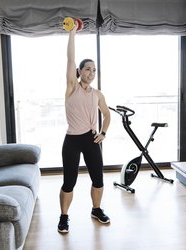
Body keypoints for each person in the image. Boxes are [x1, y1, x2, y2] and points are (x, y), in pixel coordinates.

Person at [57, 20, 111, 234]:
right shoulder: (72, 88)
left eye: (94, 70)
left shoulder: (98, 94)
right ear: (79, 72)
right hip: (72, 140)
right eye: (87, 69)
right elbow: (70, 58)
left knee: (98, 179)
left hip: (91, 139)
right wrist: (72, 34)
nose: (91, 72)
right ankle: (63, 216)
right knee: (69, 182)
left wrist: (104, 133)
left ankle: (96, 210)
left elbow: (106, 115)